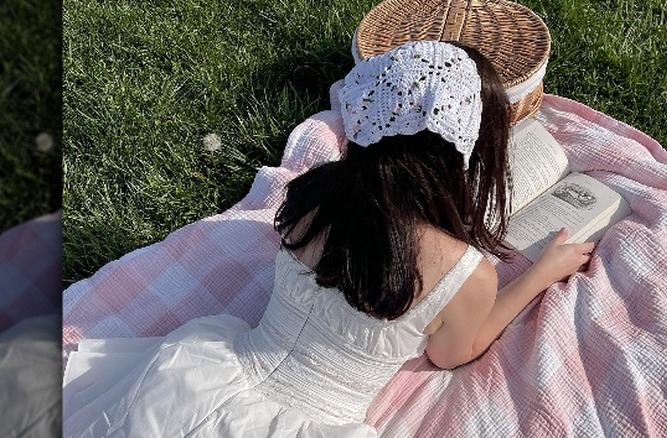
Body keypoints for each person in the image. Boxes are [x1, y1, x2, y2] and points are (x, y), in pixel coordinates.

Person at [62, 40, 593, 437]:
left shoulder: (310, 198)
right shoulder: (463, 273)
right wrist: (541, 273)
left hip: (197, 379)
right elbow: (453, 354)